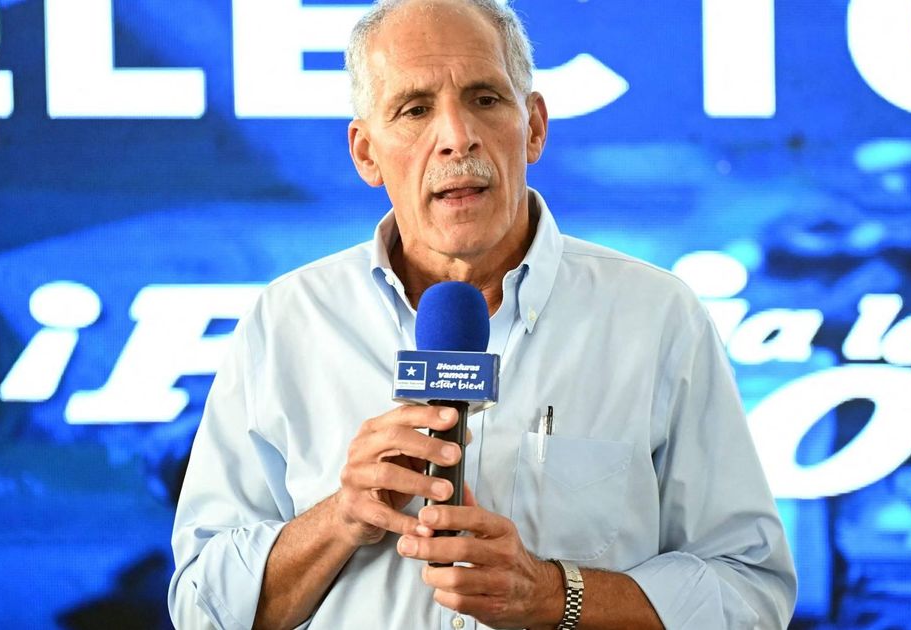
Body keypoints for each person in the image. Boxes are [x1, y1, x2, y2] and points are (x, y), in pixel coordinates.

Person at [167, 0, 797, 628]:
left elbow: (750, 593)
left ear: (534, 127)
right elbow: (201, 608)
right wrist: (342, 517)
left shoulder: (656, 318)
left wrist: (554, 596)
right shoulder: (287, 322)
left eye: (485, 99)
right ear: (366, 153)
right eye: (415, 109)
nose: (456, 136)